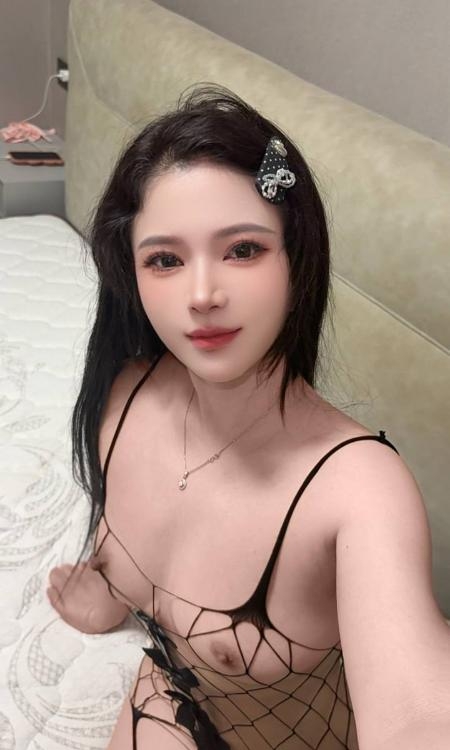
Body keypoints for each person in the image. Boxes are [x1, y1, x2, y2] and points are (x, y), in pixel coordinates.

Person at [47, 85, 450, 750]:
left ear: (297, 259)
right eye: (165, 260)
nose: (203, 294)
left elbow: (417, 710)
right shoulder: (122, 395)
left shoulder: (359, 490)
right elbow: (138, 541)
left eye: (242, 250)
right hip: (169, 697)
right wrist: (108, 593)